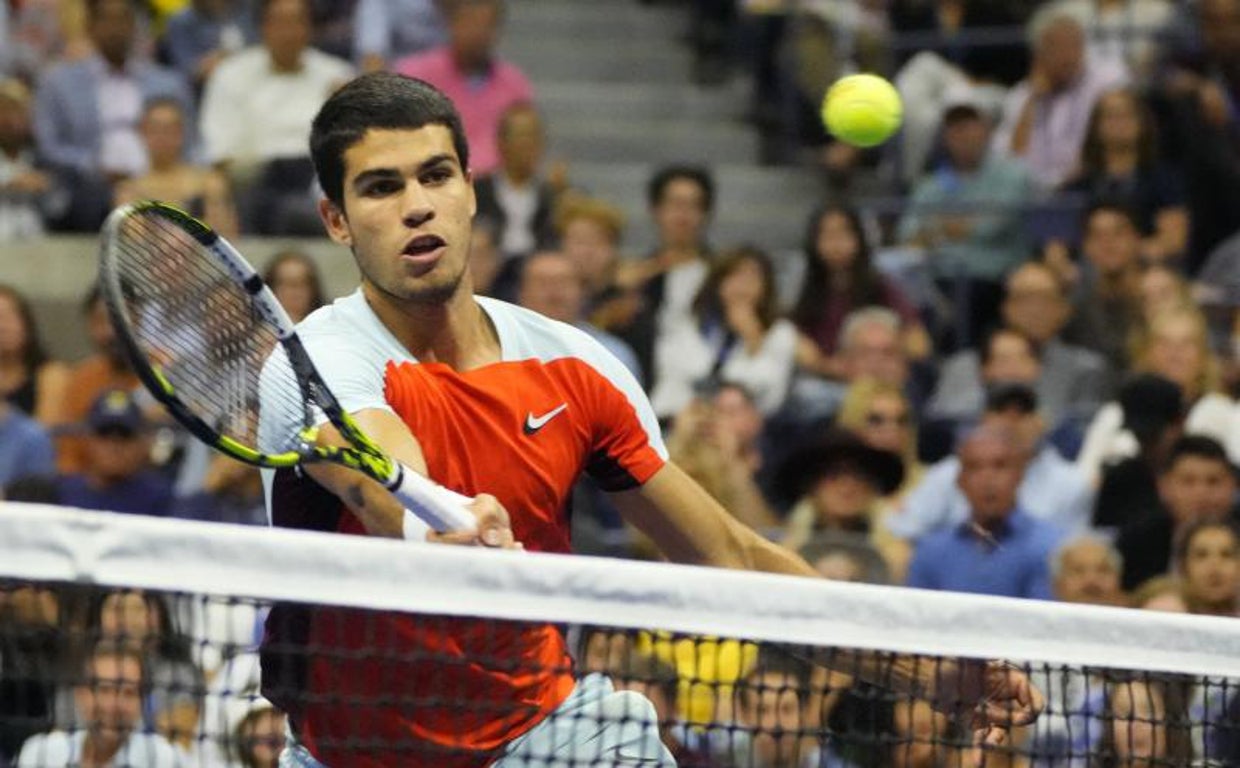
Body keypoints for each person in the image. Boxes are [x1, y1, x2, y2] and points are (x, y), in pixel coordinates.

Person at [260, 72, 1043, 767]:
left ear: (471, 187)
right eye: (381, 188)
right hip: (348, 750)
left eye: (435, 175)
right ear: (336, 221)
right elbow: (372, 473)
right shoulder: (316, 358)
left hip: (546, 736)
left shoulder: (575, 367)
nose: (417, 206)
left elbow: (728, 559)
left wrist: (925, 668)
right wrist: (433, 522)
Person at [32, 0, 193, 231]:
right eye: (106, 20)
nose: (115, 28)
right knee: (91, 200)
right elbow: (48, 147)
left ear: (135, 26)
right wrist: (92, 165)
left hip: (158, 175)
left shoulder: (167, 82)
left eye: (122, 20)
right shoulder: (59, 82)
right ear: (90, 27)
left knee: (201, 194)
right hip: (90, 184)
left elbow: (191, 142)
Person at [199, 0, 353, 235]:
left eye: (296, 22)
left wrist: (342, 107)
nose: (288, 32)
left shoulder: (337, 75)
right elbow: (221, 155)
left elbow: (353, 146)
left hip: (318, 177)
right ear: (262, 27)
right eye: (279, 22)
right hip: (257, 182)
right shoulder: (231, 74)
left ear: (311, 28)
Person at [897, 90, 1034, 348]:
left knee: (966, 298)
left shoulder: (1013, 175)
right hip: (938, 279)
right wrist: (953, 228)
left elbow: (992, 226)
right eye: (955, 129)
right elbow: (908, 235)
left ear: (987, 130)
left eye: (970, 126)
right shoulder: (931, 184)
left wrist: (938, 230)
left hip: (995, 278)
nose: (963, 135)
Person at [894, 383, 1092, 557]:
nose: (1010, 422)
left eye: (1022, 414)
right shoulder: (947, 473)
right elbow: (903, 531)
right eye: (1001, 412)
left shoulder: (1072, 482)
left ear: (1041, 422)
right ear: (984, 420)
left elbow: (1075, 552)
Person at [928, 261, 1110, 434]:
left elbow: (1090, 431)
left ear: (1064, 309)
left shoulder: (1087, 368)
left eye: (1044, 299)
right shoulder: (963, 365)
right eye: (1024, 299)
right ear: (1005, 307)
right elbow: (941, 428)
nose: (1034, 310)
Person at [1076, 305, 1240, 483]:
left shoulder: (1229, 415)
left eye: (1187, 344)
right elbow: (1082, 480)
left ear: (1203, 356)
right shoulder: (1115, 414)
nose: (1175, 354)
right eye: (1164, 344)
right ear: (1147, 353)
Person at [905, 425, 1066, 600]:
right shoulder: (931, 552)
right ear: (960, 481)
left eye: (1000, 466)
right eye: (975, 467)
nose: (988, 479)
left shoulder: (1053, 548)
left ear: (1020, 474)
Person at [650, 246, 798, 420]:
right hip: (679, 417)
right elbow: (677, 373)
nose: (743, 286)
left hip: (741, 427)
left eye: (753, 278)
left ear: (767, 287)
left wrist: (753, 340)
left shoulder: (780, 332)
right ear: (717, 283)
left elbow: (769, 397)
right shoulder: (690, 324)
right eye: (735, 276)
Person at [991, 6, 1128, 190]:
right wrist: (1032, 102)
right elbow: (1009, 161)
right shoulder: (1021, 95)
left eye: (1075, 44)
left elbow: (1118, 134)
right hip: (1032, 197)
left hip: (1090, 186)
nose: (1068, 55)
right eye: (1057, 46)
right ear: (1038, 54)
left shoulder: (1106, 80)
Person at [393, 0, 533, 177]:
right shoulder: (414, 76)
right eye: (471, 22)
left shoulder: (515, 85)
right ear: (452, 24)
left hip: (496, 190)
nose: (478, 33)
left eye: (486, 25)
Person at [793, 203, 929, 378]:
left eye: (843, 234)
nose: (836, 243)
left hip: (880, 380)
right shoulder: (804, 292)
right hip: (828, 380)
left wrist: (880, 355)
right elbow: (796, 343)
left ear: (858, 238)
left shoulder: (880, 286)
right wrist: (825, 365)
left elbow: (919, 343)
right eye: (827, 235)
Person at [1060, 87, 1188, 262]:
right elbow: (1057, 244)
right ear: (1096, 127)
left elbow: (1173, 241)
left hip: (1143, 270)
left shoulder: (1163, 180)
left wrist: (1121, 255)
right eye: (1110, 116)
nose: (1119, 123)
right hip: (1087, 272)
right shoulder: (1078, 185)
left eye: (1127, 115)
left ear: (1142, 123)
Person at [14, 640, 182, 767]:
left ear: (142, 702)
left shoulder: (164, 761)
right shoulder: (41, 753)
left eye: (129, 693)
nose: (114, 705)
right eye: (104, 690)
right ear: (81, 694)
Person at [1115, 435, 1238, 590]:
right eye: (1188, 481)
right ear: (1164, 487)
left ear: (1233, 485)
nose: (1201, 493)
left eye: (1213, 481)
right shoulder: (1136, 542)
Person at [115, 97, 239, 238]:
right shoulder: (129, 192)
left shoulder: (209, 183)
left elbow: (225, 239)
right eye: (155, 129)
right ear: (143, 132)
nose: (162, 137)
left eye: (169, 129)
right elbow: (134, 244)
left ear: (181, 133)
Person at [57, 283, 140, 474]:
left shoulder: (170, 371)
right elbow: (68, 460)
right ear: (89, 326)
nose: (112, 331)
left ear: (140, 318)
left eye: (121, 318)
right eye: (102, 321)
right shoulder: (80, 380)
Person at [54, 389, 173, 517]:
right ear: (87, 439)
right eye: (104, 434)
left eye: (125, 435)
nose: (114, 446)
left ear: (142, 443)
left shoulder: (162, 500)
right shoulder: (59, 493)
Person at [473, 103, 560, 271]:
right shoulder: (477, 191)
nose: (528, 144)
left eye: (534, 136)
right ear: (501, 142)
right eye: (521, 136)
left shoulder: (552, 194)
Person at [0, 78, 68, 241]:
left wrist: (47, 187)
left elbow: (60, 209)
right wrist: (8, 183)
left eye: (19, 113)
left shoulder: (42, 159)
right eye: (5, 112)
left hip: (35, 245)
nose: (12, 121)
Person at [0, 285, 69, 426]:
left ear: (27, 323)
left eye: (10, 317)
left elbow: (46, 435)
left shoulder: (51, 375)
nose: (3, 327)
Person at [1175, 518, 1240, 617]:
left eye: (1226, 555)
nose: (1214, 568)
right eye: (1201, 555)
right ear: (1183, 567)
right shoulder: (1166, 616)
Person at [262, 250, 326, 324]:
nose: (294, 294)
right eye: (286, 284)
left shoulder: (332, 330)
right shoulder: (253, 332)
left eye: (301, 284)